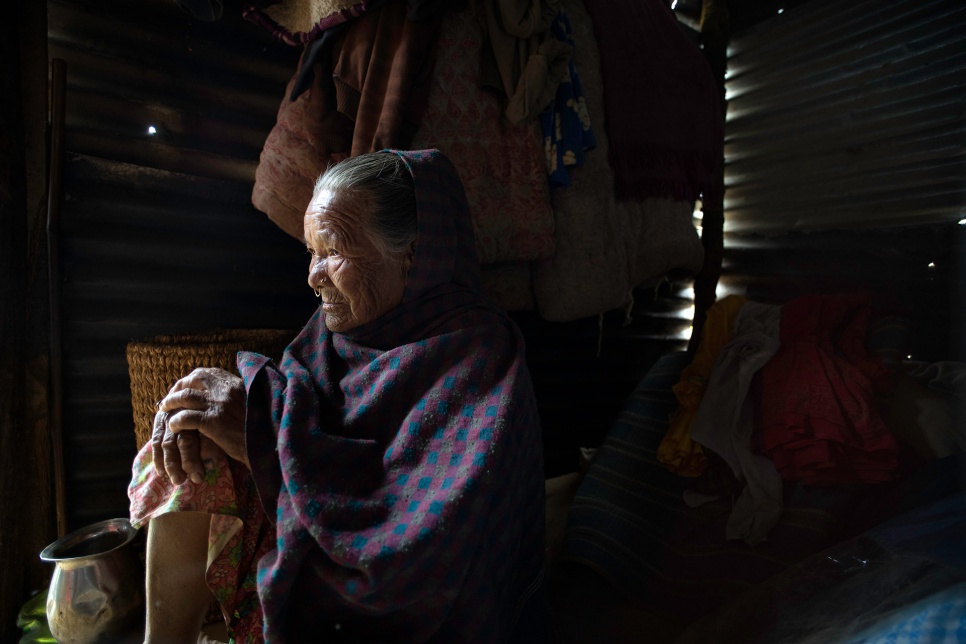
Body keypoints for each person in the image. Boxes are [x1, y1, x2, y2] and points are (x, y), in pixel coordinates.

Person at [129, 149, 546, 643]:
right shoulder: (333, 335)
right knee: (197, 438)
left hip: (400, 593)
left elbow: (420, 535)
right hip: (315, 518)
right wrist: (230, 413)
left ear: (414, 255)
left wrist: (259, 433)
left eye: (334, 251)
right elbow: (288, 407)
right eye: (311, 252)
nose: (312, 276)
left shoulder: (478, 353)